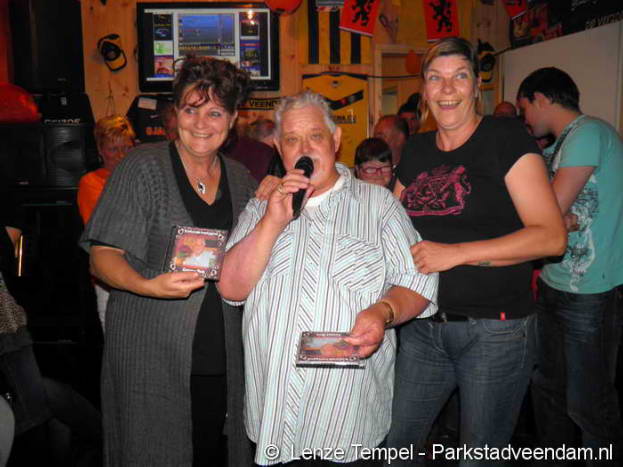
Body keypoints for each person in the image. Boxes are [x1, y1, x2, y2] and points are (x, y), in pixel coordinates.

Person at [218, 90, 438, 466]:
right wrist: (272, 222)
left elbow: (417, 284)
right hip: (275, 413)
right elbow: (231, 288)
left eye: (315, 136)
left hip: (347, 416)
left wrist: (383, 311)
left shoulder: (378, 205)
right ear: (279, 148)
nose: (305, 148)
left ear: (335, 140)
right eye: (292, 139)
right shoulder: (262, 205)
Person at [386, 37, 567, 465]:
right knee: (396, 448)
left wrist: (456, 253)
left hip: (495, 331)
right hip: (423, 326)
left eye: (459, 76)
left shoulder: (505, 137)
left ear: (475, 86)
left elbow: (550, 237)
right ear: (424, 89)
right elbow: (386, 225)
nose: (447, 88)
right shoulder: (416, 149)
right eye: (436, 78)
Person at [80, 56, 257, 466]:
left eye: (215, 112)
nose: (201, 123)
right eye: (191, 110)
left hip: (221, 351)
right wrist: (148, 285)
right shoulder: (142, 167)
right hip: (150, 348)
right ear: (175, 113)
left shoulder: (241, 178)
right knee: (152, 452)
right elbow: (103, 256)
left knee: (213, 451)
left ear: (233, 119)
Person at [517, 67, 623, 463]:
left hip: (590, 292)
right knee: (549, 391)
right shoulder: (558, 146)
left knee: (588, 403)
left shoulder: (588, 132)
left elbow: (546, 213)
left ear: (541, 98)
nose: (526, 118)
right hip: (556, 282)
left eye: (525, 108)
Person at [77, 115, 135, 331]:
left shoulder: (143, 177)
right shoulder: (91, 182)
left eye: (126, 148)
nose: (121, 155)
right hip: (110, 276)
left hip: (145, 272)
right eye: (113, 149)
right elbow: (104, 232)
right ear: (100, 150)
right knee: (116, 340)